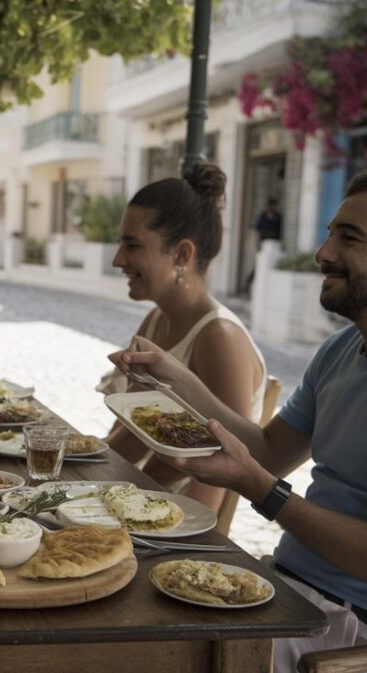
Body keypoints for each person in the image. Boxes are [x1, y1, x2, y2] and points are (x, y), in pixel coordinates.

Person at [113, 166, 367, 673]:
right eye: (330, 232)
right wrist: (181, 382)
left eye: (348, 237)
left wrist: (262, 489)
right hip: (289, 601)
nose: (323, 252)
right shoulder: (345, 348)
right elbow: (267, 452)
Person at [100, 164, 266, 512]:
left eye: (132, 245)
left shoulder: (220, 338)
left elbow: (226, 476)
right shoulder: (157, 319)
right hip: (133, 500)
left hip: (175, 522)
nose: (118, 259)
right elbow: (129, 440)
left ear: (182, 255)